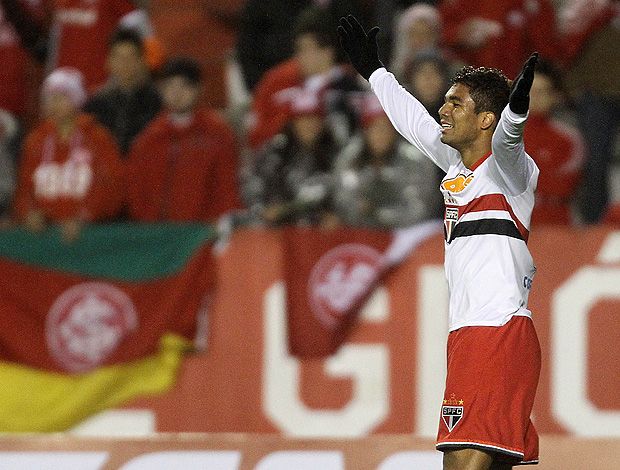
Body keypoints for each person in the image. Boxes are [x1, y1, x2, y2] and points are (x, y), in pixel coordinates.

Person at [338, 15, 541, 470]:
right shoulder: (455, 164)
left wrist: (517, 113)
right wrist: (374, 72)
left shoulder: (512, 176)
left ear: (485, 118)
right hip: (469, 336)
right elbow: (411, 120)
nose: (443, 111)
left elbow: (508, 142)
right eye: (446, 102)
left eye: (456, 104)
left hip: (497, 334)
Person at [13, 67, 124, 241]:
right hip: (43, 238)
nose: (53, 104)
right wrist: (29, 213)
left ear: (76, 99)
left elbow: (112, 186)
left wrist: (85, 217)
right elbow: (25, 188)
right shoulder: (35, 141)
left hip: (88, 238)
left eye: (60, 98)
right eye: (49, 98)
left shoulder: (98, 139)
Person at [125, 57, 241, 222]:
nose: (176, 93)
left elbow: (228, 188)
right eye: (170, 86)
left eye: (184, 86)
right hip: (157, 235)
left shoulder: (218, 134)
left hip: (203, 234)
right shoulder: (150, 138)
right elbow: (136, 190)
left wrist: (218, 225)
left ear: (198, 89)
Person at [246, 5, 361, 150]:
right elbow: (255, 136)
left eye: (305, 48)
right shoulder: (279, 82)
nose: (300, 57)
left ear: (328, 52)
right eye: (298, 49)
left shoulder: (349, 90)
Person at [333, 92, 443, 228]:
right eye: (374, 128)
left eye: (386, 128)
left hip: (406, 238)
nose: (380, 135)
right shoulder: (350, 158)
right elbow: (342, 203)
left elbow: (420, 210)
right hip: (361, 236)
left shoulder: (415, 160)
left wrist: (375, 213)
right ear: (365, 131)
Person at [242, 85, 344, 226]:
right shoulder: (274, 152)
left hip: (322, 236)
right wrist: (263, 210)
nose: (309, 125)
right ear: (293, 122)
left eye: (314, 118)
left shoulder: (337, 154)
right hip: (280, 234)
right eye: (303, 118)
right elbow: (252, 184)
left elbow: (346, 193)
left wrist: (337, 217)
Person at [524, 59, 585, 225]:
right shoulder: (498, 136)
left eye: (542, 91)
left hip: (555, 224)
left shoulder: (569, 139)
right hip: (511, 224)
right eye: (530, 91)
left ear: (555, 96)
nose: (535, 97)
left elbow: (564, 186)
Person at [84, 27, 161, 156]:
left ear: (142, 61)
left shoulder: (158, 102)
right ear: (109, 61)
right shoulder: (95, 104)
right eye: (119, 58)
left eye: (130, 57)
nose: (125, 64)